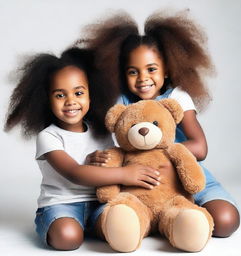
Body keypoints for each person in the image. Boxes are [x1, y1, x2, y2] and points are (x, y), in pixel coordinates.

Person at [80, 10, 240, 238]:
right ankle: (149, 219)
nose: (143, 78)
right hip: (139, 178)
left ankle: (181, 215)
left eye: (151, 69)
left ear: (166, 70)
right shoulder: (120, 101)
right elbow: (102, 141)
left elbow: (200, 148)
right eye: (133, 72)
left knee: (226, 221)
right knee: (117, 219)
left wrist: (161, 155)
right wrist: (98, 157)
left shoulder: (177, 97)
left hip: (185, 172)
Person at [4, 47, 161, 250]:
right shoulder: (49, 137)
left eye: (78, 93)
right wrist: (124, 174)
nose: (71, 101)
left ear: (91, 94)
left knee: (121, 221)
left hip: (99, 203)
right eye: (60, 95)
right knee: (68, 237)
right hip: (61, 205)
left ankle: (104, 226)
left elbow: (113, 159)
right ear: (46, 99)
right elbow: (75, 173)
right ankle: (54, 224)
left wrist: (108, 161)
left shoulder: (100, 132)